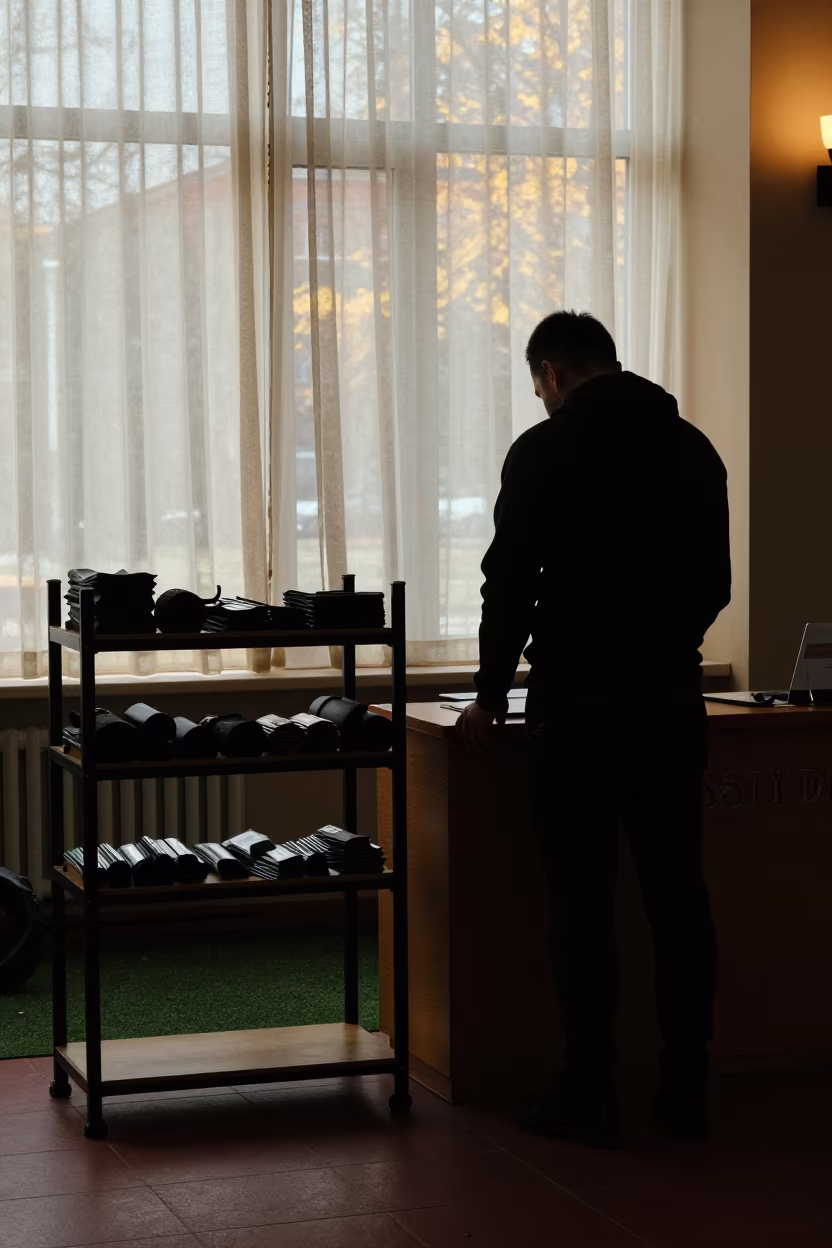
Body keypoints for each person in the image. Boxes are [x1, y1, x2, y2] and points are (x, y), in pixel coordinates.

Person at [458, 311, 730, 1147]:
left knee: (581, 904)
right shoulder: (693, 448)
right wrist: (663, 642)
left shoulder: (544, 452)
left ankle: (590, 1086)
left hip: (576, 703)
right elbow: (714, 583)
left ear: (552, 373)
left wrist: (491, 691)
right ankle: (686, 1090)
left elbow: (509, 583)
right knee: (677, 897)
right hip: (668, 699)